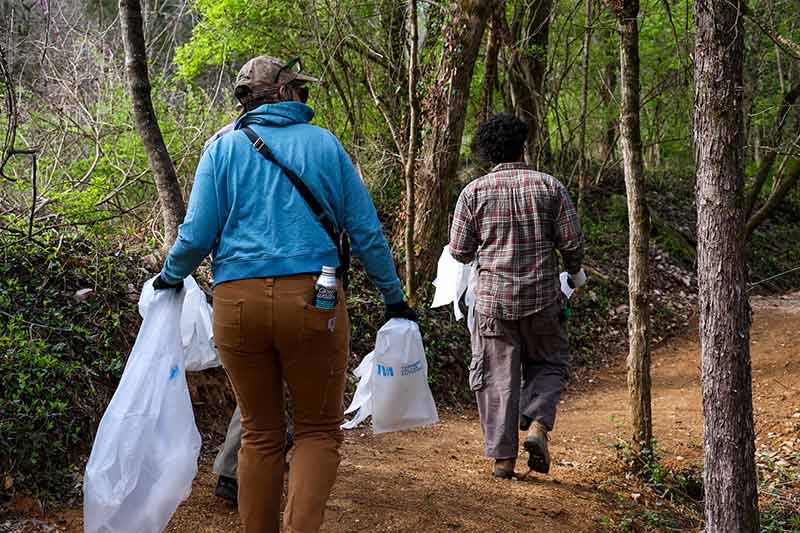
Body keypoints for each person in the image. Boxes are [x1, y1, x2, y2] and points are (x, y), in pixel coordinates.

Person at [153, 55, 415, 532]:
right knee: (317, 431)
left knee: (260, 432)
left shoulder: (221, 148)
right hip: (312, 299)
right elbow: (366, 232)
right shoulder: (324, 144)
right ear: (288, 93)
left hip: (236, 305)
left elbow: (195, 236)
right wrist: (394, 299)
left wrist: (168, 278)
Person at [448, 113, 586, 480]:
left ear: (487, 153)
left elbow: (459, 251)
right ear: (523, 148)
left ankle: (503, 459)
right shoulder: (550, 187)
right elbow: (572, 244)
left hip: (493, 304)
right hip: (543, 300)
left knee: (496, 378)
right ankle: (539, 424)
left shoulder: (472, 193)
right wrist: (573, 271)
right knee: (550, 363)